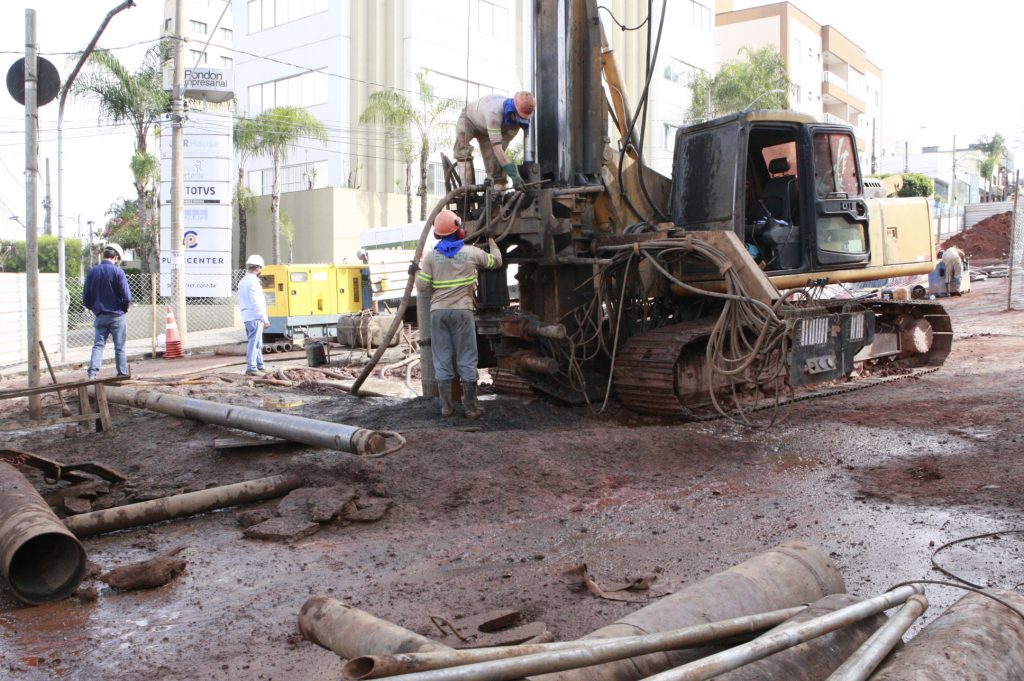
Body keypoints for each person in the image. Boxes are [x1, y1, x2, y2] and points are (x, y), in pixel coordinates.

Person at [416, 209, 502, 419]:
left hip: (438, 314)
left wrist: (416, 270)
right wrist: (491, 240)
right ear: (460, 232)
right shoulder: (472, 253)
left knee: (442, 357)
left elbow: (422, 287)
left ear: (438, 235)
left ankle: (446, 407)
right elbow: (496, 262)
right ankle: (471, 408)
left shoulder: (431, 258)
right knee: (467, 356)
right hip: (463, 312)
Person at [453, 91, 535, 190]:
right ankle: (467, 189)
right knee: (461, 146)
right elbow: (498, 149)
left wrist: (501, 169)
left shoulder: (517, 122)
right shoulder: (494, 113)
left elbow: (502, 147)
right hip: (469, 120)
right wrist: (515, 175)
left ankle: (496, 196)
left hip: (487, 132)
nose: (518, 121)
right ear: (513, 110)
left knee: (497, 167)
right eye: (518, 117)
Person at [83, 243, 132, 379]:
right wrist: (124, 307)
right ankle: (122, 374)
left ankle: (92, 374)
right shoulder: (118, 272)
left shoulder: (92, 272)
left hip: (100, 316)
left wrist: (95, 309)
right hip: (117, 316)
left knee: (98, 345)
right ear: (116, 257)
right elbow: (127, 297)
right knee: (120, 347)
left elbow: (86, 298)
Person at [237, 254, 270, 376]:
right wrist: (264, 318)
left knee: (257, 342)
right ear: (257, 268)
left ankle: (260, 366)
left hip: (247, 316)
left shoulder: (243, 281)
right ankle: (251, 367)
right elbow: (257, 302)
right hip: (255, 316)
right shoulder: (253, 282)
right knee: (254, 342)